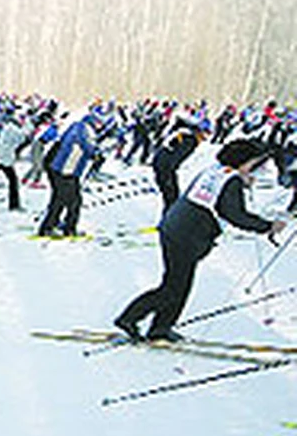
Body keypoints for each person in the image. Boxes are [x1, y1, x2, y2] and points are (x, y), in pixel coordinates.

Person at [114, 139, 289, 342]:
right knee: (174, 287)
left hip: (175, 228)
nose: (255, 169)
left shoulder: (216, 170)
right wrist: (268, 226)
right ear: (243, 161)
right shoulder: (230, 180)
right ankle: (130, 318)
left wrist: (242, 182)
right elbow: (235, 215)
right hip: (186, 236)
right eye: (253, 163)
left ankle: (160, 327)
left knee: (178, 284)